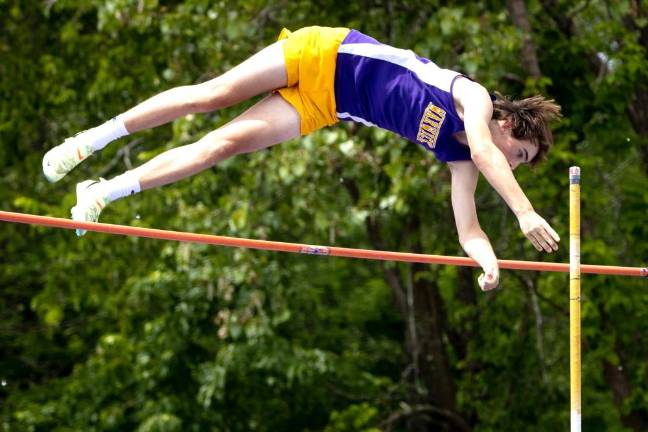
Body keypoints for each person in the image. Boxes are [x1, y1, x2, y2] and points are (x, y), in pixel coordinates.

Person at [42, 26, 561, 291]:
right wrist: (525, 211)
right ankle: (93, 137)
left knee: (220, 146)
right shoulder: (476, 101)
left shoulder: (462, 158)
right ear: (507, 125)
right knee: (211, 95)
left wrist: (488, 262)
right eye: (518, 154)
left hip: (326, 104)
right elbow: (488, 152)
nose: (509, 163)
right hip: (325, 53)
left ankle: (102, 191)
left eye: (518, 164)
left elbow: (467, 229)